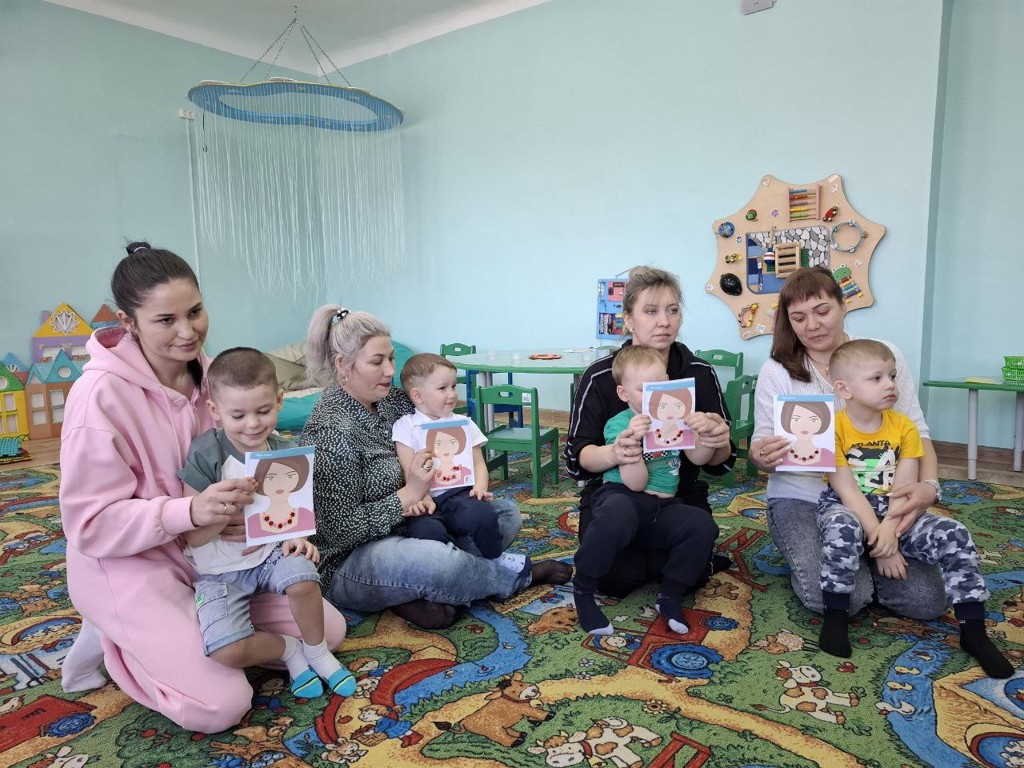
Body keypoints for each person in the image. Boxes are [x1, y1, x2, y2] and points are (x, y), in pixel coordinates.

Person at [58, 242, 346, 732]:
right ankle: (116, 634)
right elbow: (88, 525)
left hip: (213, 557)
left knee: (328, 630)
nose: (187, 331)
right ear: (128, 323)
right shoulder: (97, 398)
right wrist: (188, 513)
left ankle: (184, 635)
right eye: (165, 320)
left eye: (194, 312)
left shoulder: (215, 381)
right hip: (128, 561)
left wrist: (275, 524)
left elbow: (253, 470)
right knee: (220, 705)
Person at [300, 306, 573, 630]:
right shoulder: (331, 429)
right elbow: (339, 531)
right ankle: (516, 578)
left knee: (505, 515)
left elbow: (437, 409)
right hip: (354, 557)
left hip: (421, 525)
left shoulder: (392, 400)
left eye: (391, 358)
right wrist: (409, 494)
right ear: (342, 365)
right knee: (438, 561)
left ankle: (420, 591)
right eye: (377, 362)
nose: (390, 370)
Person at [750, 265, 947, 619]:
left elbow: (917, 431)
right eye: (798, 318)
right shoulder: (777, 370)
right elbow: (761, 447)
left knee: (927, 600)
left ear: (843, 305)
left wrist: (930, 487)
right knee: (844, 599)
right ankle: (857, 560)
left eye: (822, 311)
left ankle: (867, 551)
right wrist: (761, 455)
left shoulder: (882, 356)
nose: (812, 325)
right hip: (804, 498)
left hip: (882, 496)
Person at [816, 340, 1012, 677]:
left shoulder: (904, 427)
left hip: (896, 511)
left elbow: (904, 488)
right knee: (841, 528)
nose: (890, 385)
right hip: (847, 506)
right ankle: (835, 618)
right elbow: (846, 489)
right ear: (844, 389)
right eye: (876, 378)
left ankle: (973, 630)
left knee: (953, 532)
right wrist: (882, 541)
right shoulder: (830, 429)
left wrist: (890, 532)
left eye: (891, 376)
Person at [178, 347, 357, 699]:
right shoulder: (206, 453)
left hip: (269, 557)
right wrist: (227, 511)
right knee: (225, 649)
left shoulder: (284, 453)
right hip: (218, 571)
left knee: (303, 574)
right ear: (215, 411)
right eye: (238, 415)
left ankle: (317, 652)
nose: (253, 424)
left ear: (279, 401)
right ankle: (290, 650)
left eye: (263, 411)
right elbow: (193, 537)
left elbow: (294, 515)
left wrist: (300, 538)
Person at [565, 266, 735, 599]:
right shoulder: (600, 376)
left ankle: (682, 558)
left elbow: (720, 464)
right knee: (613, 578)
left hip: (679, 493)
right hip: (614, 495)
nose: (664, 322)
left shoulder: (699, 372)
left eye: (672, 311)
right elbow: (577, 459)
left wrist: (718, 441)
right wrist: (615, 453)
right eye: (651, 311)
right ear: (629, 319)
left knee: (689, 574)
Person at [573, 345, 720, 635]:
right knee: (617, 513)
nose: (655, 397)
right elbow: (635, 484)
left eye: (660, 387)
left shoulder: (676, 418)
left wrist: (703, 432)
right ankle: (583, 589)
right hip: (623, 495)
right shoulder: (621, 425)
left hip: (662, 507)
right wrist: (631, 446)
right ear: (623, 394)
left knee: (702, 525)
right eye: (644, 390)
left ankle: (670, 595)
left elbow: (699, 459)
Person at [392, 353, 516, 567]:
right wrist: (422, 498)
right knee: (425, 532)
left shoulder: (464, 423)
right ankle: (458, 565)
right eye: (442, 388)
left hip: (460, 495)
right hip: (425, 499)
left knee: (484, 515)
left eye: (453, 386)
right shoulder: (406, 426)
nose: (451, 394)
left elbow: (478, 463)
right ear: (418, 396)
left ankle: (495, 559)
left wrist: (480, 487)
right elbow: (408, 468)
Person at [777, 399, 835, 468]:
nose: (804, 425)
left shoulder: (828, 455)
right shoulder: (780, 454)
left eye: (813, 420)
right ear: (787, 419)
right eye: (796, 419)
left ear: (823, 421)